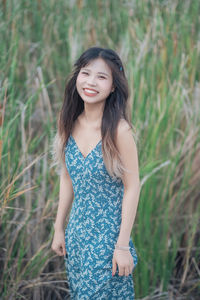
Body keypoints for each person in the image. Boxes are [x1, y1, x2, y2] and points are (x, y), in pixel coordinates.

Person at [51, 46, 141, 299]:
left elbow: (133, 187)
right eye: (86, 73)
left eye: (102, 77)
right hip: (77, 235)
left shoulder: (119, 131)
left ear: (113, 86)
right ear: (77, 77)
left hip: (108, 239)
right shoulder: (67, 120)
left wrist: (122, 246)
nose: (91, 82)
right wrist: (59, 227)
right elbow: (67, 177)